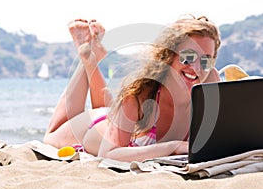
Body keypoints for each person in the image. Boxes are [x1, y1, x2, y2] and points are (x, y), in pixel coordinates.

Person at [43, 15, 221, 162]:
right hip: (94, 127)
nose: (197, 68)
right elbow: (108, 153)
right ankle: (87, 57)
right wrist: (173, 147)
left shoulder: (209, 82)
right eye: (188, 57)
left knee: (116, 112)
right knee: (50, 138)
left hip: (122, 120)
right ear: (169, 55)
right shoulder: (141, 93)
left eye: (206, 60)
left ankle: (92, 55)